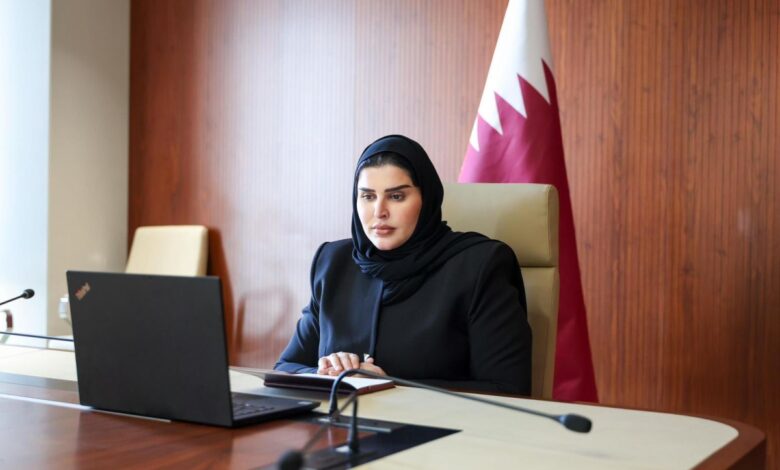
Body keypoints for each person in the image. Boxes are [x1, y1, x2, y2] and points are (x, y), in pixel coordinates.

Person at [274, 135, 532, 395]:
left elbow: (509, 390)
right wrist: (327, 373)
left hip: (438, 422)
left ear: (426, 199)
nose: (379, 212)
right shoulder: (333, 263)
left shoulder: (479, 265)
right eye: (368, 196)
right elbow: (285, 368)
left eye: (396, 196)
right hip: (336, 420)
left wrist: (392, 386)